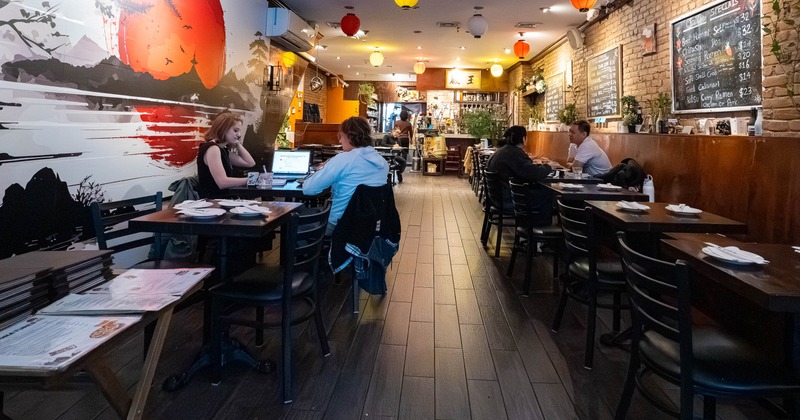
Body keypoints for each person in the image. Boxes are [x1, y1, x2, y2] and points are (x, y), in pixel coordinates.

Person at [303, 116, 389, 235]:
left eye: (341, 137)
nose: (339, 141)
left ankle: (309, 253)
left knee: (295, 219)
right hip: (371, 224)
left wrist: (322, 169)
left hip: (340, 223)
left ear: (349, 137)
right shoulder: (383, 163)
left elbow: (309, 189)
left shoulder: (344, 160)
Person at [487, 126, 557, 226]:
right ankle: (539, 234)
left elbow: (524, 170)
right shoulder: (514, 153)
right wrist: (549, 166)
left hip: (498, 197)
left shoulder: (502, 151)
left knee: (544, 193)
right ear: (524, 139)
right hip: (508, 199)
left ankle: (532, 232)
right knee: (548, 194)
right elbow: (532, 173)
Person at [196, 112, 256, 199]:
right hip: (214, 203)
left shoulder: (222, 149)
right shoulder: (213, 149)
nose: (239, 135)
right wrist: (250, 180)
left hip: (223, 200)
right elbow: (222, 182)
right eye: (235, 130)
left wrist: (238, 144)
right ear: (223, 129)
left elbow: (250, 163)